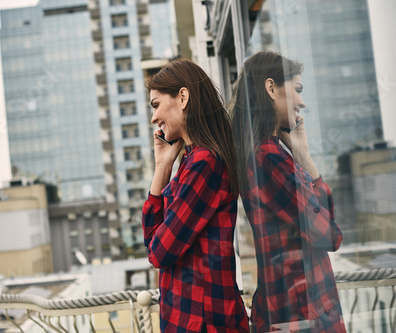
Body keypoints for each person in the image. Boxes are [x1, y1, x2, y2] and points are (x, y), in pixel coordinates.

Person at [230, 51, 346, 333]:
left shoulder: (267, 154)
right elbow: (330, 235)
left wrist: (303, 156)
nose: (302, 102)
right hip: (302, 314)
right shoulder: (268, 159)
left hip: (291, 311)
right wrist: (308, 166)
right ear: (271, 88)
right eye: (297, 90)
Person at [142, 59, 250, 333]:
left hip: (202, 322)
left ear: (182, 97)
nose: (153, 118)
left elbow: (158, 252)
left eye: (156, 105)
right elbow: (154, 241)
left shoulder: (204, 163)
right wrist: (163, 167)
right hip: (194, 320)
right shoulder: (191, 162)